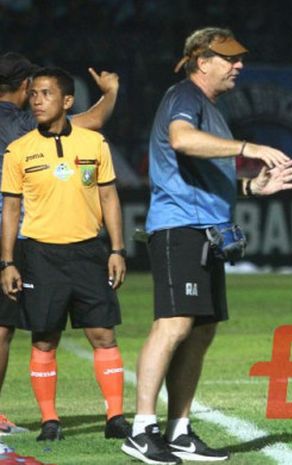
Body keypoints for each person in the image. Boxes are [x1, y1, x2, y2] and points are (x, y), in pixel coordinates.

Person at [121, 27, 292, 465]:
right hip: (180, 228)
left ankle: (179, 430)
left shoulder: (211, 109)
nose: (238, 64)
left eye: (239, 58)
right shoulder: (184, 96)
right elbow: (181, 140)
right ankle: (142, 429)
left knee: (200, 332)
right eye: (229, 58)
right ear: (203, 61)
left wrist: (252, 186)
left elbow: (206, 173)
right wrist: (248, 146)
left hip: (208, 232)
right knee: (174, 325)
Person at [0, 67, 131, 442]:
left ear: (68, 101)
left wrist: (117, 249)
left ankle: (116, 417)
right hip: (39, 254)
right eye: (35, 94)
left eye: (46, 94)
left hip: (90, 252)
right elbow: (10, 208)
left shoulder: (94, 144)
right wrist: (8, 261)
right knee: (44, 339)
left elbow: (109, 197)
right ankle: (50, 421)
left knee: (103, 334)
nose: (37, 101)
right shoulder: (19, 150)